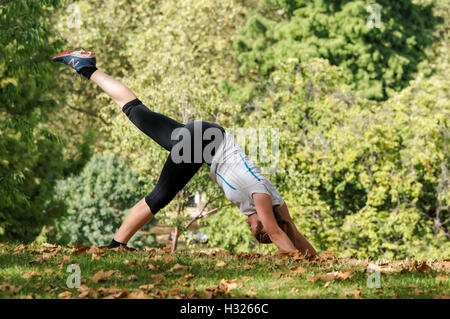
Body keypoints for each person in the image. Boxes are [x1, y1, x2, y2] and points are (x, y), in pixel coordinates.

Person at [51, 50, 317, 256]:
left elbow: (293, 233)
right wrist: (295, 264)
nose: (248, 223)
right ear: (262, 218)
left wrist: (314, 261)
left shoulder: (275, 202)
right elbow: (275, 230)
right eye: (253, 225)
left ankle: (87, 68)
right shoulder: (259, 193)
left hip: (205, 138)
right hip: (201, 143)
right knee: (159, 196)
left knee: (136, 111)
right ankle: (116, 244)